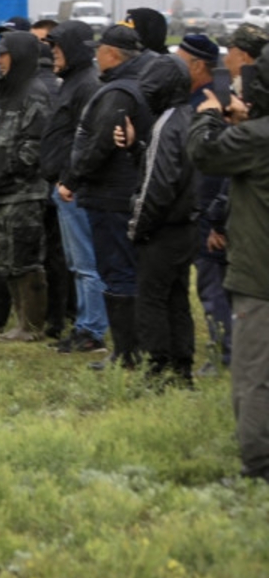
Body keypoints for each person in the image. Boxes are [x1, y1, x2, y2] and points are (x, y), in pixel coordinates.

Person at [188, 48, 269, 482]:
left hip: (259, 278)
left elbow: (205, 153)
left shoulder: (256, 138)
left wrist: (210, 113)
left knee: (253, 376)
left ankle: (258, 468)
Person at [64, 25, 155, 370]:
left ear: (113, 54)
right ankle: (133, 350)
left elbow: (99, 144)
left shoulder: (118, 92)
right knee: (126, 270)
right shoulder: (138, 85)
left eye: (99, 49)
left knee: (117, 272)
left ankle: (126, 354)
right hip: (122, 194)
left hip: (111, 196)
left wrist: (75, 176)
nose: (94, 55)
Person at [0, 31, 55, 342]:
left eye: (3, 54)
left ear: (17, 57)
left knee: (25, 258)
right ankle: (18, 322)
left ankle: (31, 327)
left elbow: (35, 146)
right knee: (7, 258)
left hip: (23, 193)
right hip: (3, 192)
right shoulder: (10, 90)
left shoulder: (34, 92)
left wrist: (10, 171)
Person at [119, 53, 198, 385]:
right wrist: (138, 147)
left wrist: (137, 228)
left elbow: (158, 184)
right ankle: (182, 368)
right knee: (178, 297)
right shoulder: (189, 117)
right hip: (188, 227)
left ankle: (157, 367)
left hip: (162, 229)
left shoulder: (165, 125)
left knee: (151, 297)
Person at [41, 21, 110, 357]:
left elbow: (88, 140)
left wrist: (70, 180)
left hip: (75, 189)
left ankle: (93, 331)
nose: (52, 54)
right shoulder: (70, 82)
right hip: (65, 186)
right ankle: (84, 325)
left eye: (57, 48)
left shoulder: (86, 84)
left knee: (86, 263)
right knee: (77, 262)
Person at [178, 34, 233, 370]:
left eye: (181, 63)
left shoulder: (213, 104)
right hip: (203, 209)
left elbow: (223, 166)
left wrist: (217, 220)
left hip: (212, 211)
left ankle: (225, 355)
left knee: (215, 288)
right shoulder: (193, 100)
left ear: (198, 66)